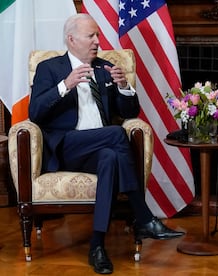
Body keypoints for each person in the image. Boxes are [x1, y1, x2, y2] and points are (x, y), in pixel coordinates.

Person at [29, 13, 184, 275]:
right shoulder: (50, 68)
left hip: (99, 148)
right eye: (91, 36)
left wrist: (124, 87)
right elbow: (36, 113)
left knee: (111, 157)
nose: (97, 41)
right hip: (66, 146)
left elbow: (130, 113)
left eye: (98, 35)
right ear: (72, 39)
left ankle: (97, 246)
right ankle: (143, 216)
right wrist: (66, 85)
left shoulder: (104, 68)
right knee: (115, 134)